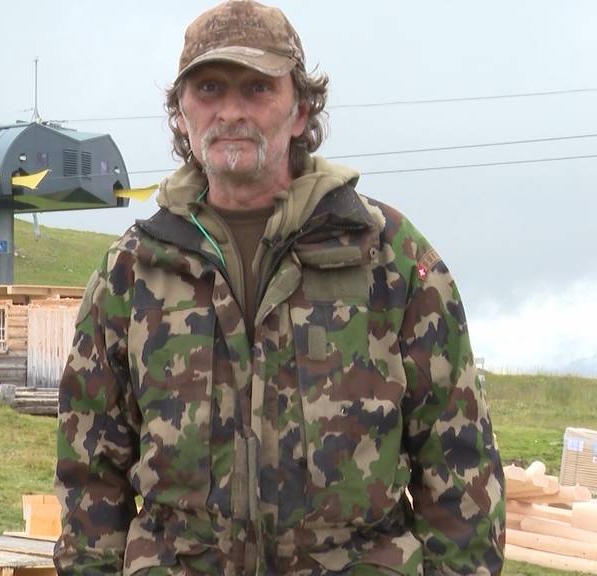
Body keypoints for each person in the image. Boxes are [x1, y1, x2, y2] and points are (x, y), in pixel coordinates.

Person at [54, 2, 505, 575]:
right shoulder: (134, 270)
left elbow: (459, 464)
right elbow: (90, 474)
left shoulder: (389, 258)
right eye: (210, 88)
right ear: (180, 114)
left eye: (258, 88)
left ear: (301, 110)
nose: (231, 111)